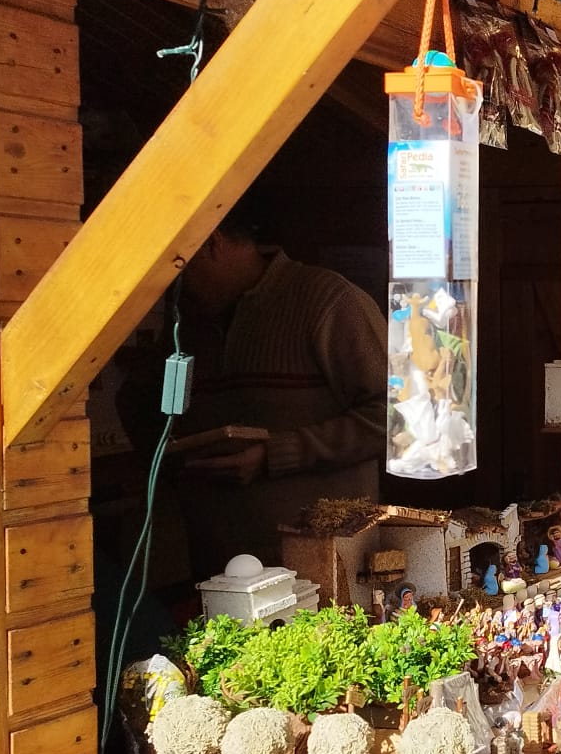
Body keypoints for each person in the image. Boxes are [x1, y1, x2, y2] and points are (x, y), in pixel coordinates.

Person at [148, 195, 388, 579]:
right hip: (215, 568)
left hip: (322, 565)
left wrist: (275, 454)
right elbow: (150, 408)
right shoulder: (184, 325)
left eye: (177, 264)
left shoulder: (328, 301)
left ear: (211, 242)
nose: (173, 280)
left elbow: (398, 418)